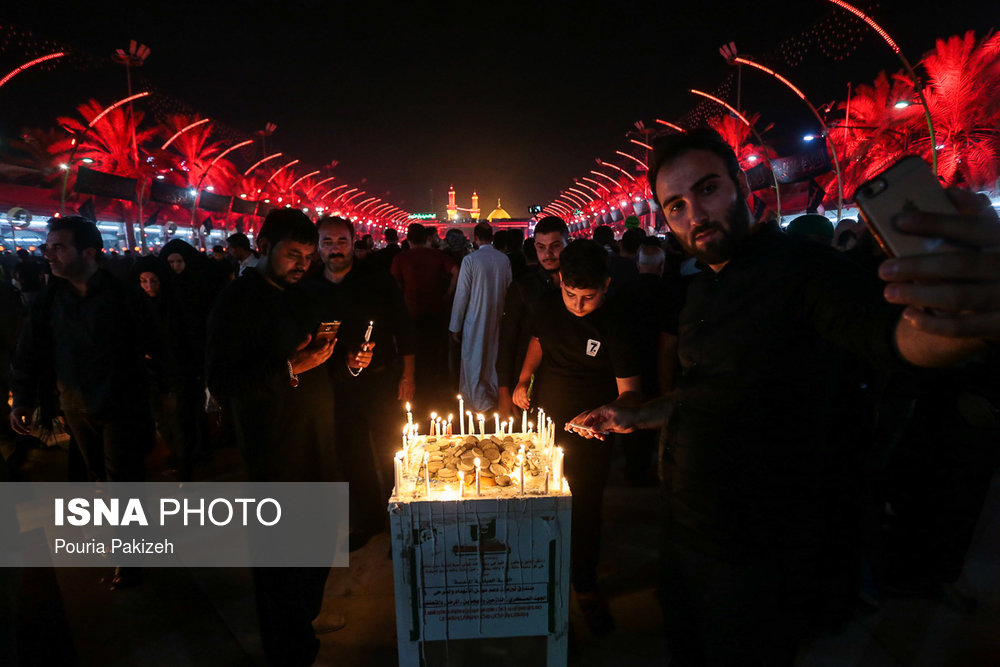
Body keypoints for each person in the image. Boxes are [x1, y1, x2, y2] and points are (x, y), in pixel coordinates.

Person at [574, 127, 1000, 665]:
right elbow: (704, 394)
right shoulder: (702, 286)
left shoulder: (804, 270)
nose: (695, 215)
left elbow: (893, 338)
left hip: (757, 552)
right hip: (684, 534)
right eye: (676, 205)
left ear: (740, 185)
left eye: (708, 190)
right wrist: (633, 416)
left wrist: (970, 319)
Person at [205, 209, 359, 666]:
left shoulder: (302, 294)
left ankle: (302, 621)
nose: (302, 264)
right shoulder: (236, 302)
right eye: (293, 254)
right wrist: (290, 368)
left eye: (308, 256)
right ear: (262, 245)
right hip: (273, 448)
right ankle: (287, 649)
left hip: (315, 437)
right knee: (279, 558)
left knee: (317, 541)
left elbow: (318, 357)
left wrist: (348, 359)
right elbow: (223, 383)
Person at [10, 216, 157, 589]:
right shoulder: (48, 301)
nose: (49, 254)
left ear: (89, 252)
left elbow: (153, 345)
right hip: (75, 406)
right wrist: (23, 399)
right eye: (48, 247)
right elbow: (30, 352)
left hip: (121, 405)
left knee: (123, 482)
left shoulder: (123, 296)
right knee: (99, 479)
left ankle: (130, 558)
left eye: (58, 247)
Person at [512, 239, 641, 635]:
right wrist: (521, 380)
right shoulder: (548, 305)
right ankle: (535, 570)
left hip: (591, 430)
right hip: (545, 419)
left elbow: (630, 391)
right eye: (571, 293)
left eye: (588, 297)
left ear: (605, 285)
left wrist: (609, 415)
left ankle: (584, 584)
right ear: (560, 281)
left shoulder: (616, 322)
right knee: (537, 495)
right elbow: (538, 340)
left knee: (584, 506)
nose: (578, 305)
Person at [309, 215, 415, 549]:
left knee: (391, 451)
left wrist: (408, 377)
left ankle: (402, 518)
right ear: (318, 247)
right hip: (336, 387)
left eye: (341, 241)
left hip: (381, 382)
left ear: (354, 242)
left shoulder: (377, 281)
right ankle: (368, 520)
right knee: (350, 455)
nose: (335, 249)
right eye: (327, 242)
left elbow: (404, 329)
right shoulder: (310, 287)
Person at [496, 216, 568, 417]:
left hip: (567, 382)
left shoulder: (580, 284)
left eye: (555, 246)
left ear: (567, 243)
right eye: (541, 247)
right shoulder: (523, 287)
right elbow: (507, 340)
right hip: (529, 384)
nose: (548, 254)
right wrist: (503, 392)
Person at [391, 223, 457, 407]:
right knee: (434, 354)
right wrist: (448, 294)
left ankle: (414, 392)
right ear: (427, 238)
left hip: (411, 314)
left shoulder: (401, 258)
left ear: (408, 239)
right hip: (436, 312)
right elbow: (456, 271)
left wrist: (401, 299)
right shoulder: (438, 256)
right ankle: (435, 393)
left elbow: (392, 282)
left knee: (413, 353)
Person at [449, 221, 512, 412]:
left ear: (476, 238)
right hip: (498, 318)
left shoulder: (470, 260)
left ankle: (476, 402)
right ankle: (492, 398)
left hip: (474, 320)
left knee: (474, 360)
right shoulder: (503, 260)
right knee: (492, 358)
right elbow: (509, 290)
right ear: (491, 237)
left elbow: (462, 295)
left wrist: (455, 326)